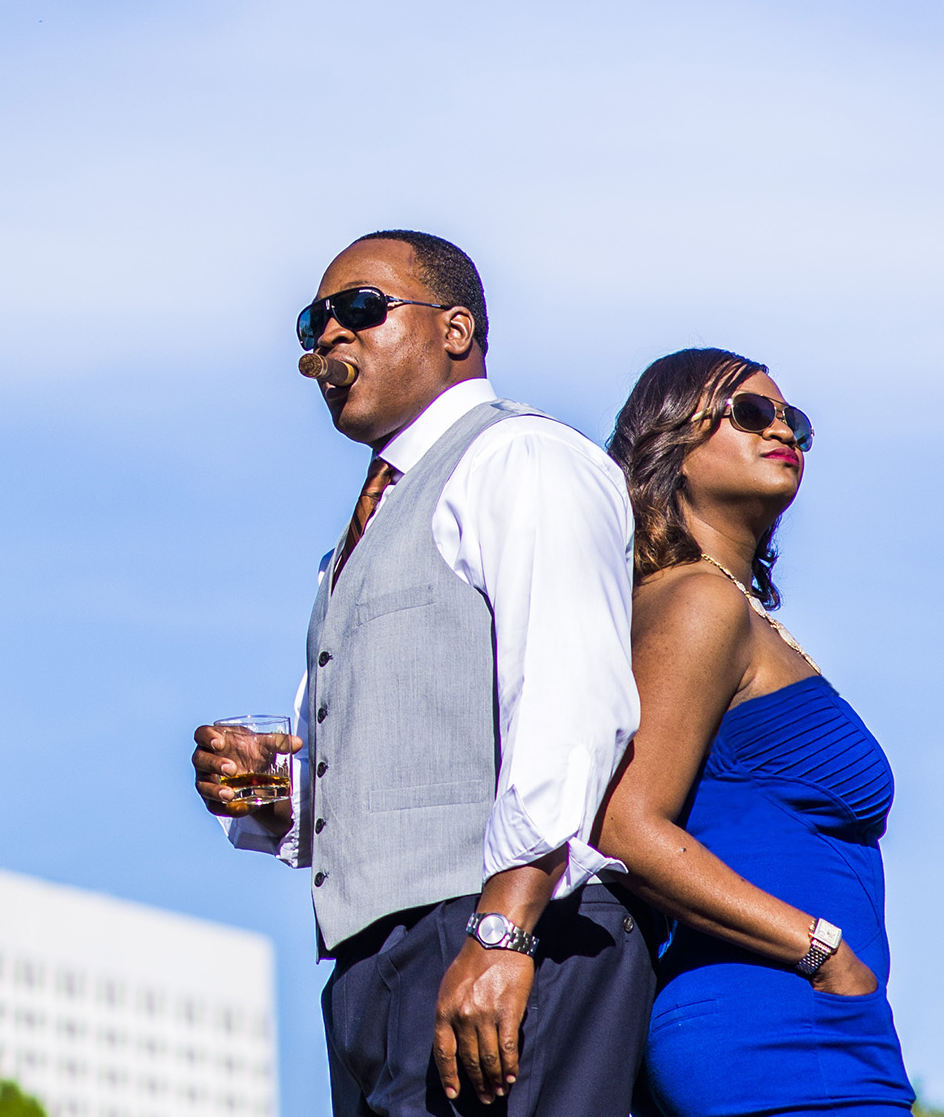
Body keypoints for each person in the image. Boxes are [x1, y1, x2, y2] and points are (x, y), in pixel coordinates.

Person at [193, 231, 646, 1117]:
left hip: (501, 934)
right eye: (312, 322)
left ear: (456, 328)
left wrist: (502, 928)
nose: (328, 338)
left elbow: (570, 696)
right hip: (378, 966)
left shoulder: (520, 458)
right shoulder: (361, 530)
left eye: (360, 309)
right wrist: (276, 789)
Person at [593, 350, 913, 1117]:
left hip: (815, 1023)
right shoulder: (698, 602)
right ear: (672, 443)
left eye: (793, 420)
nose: (784, 430)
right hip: (777, 1024)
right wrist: (823, 951)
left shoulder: (730, 610)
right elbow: (626, 827)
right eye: (750, 413)